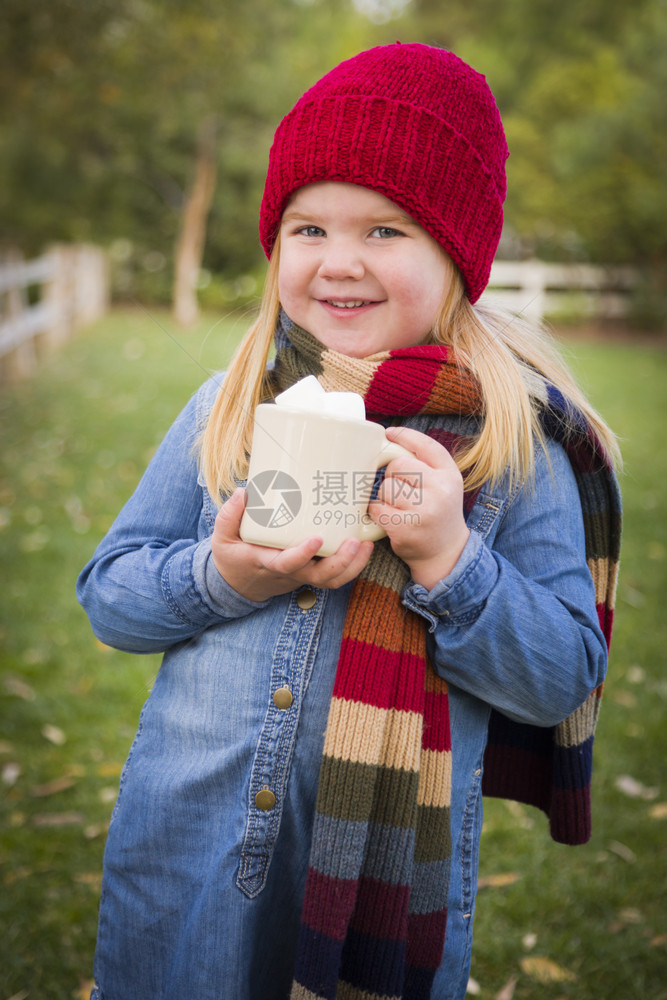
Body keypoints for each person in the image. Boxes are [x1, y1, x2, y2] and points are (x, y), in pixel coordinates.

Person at [77, 42, 621, 1000]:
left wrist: (452, 560)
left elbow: (562, 679)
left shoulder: (511, 440)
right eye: (306, 228)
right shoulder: (227, 406)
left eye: (384, 231)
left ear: (456, 250)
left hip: (385, 884)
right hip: (188, 855)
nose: (337, 264)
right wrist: (226, 575)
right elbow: (111, 597)